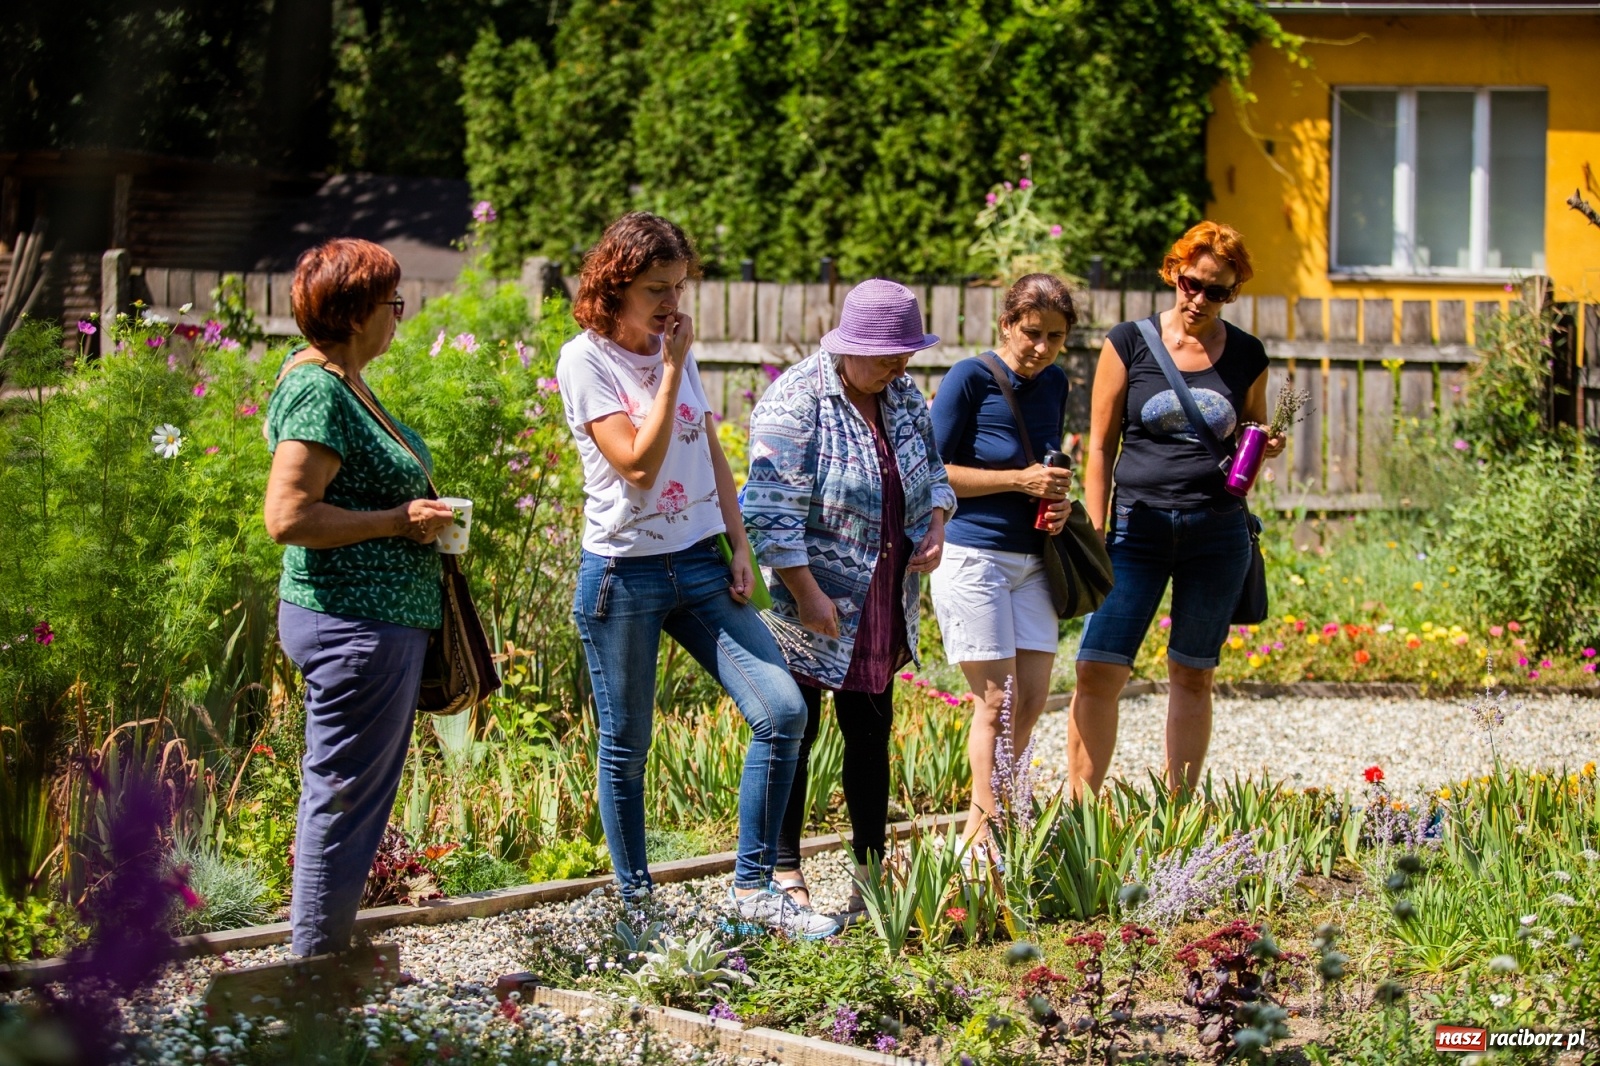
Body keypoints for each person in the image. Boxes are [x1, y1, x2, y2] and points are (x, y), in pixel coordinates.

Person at [556, 211, 836, 938]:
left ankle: (753, 897)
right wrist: (671, 364)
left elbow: (708, 447)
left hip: (700, 566)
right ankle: (637, 907)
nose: (670, 304)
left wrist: (737, 542)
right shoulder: (585, 360)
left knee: (782, 711)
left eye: (678, 287)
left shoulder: (676, 349)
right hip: (624, 575)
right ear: (613, 285)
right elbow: (640, 468)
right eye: (656, 288)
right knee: (628, 744)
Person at [264, 238, 455, 956]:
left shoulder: (339, 380)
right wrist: (396, 523)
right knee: (342, 797)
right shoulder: (318, 387)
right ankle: (316, 972)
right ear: (354, 314)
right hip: (353, 622)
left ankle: (327, 954)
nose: (398, 318)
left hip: (371, 621)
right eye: (391, 305)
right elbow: (287, 516)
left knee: (353, 795)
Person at [743, 279, 956, 913]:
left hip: (883, 591)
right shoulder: (795, 400)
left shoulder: (901, 393)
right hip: (811, 599)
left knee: (870, 732)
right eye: (890, 353)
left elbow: (935, 474)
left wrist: (937, 523)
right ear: (850, 345)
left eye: (907, 353)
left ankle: (870, 875)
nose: (901, 365)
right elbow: (768, 513)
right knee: (795, 731)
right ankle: (785, 873)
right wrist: (807, 592)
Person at [1069, 221, 1285, 798]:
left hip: (1216, 535)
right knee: (1098, 670)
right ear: (1174, 273)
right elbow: (1099, 442)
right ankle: (1080, 810)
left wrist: (1264, 443)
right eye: (1193, 284)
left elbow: (1249, 434)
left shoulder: (1247, 354)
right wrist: (1095, 525)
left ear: (1232, 292)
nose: (1200, 300)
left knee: (1193, 672)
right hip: (1135, 530)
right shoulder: (1130, 341)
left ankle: (1177, 809)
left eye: (1218, 291)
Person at [929, 274, 1076, 858]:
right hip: (973, 555)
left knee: (1034, 697)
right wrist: (1019, 480)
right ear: (1006, 325)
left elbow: (1044, 468)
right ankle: (985, 833)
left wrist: (1056, 503)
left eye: (1056, 337)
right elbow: (932, 471)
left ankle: (999, 818)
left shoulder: (1056, 383)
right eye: (1032, 333)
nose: (1041, 347)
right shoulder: (969, 377)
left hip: (1034, 558)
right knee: (996, 701)